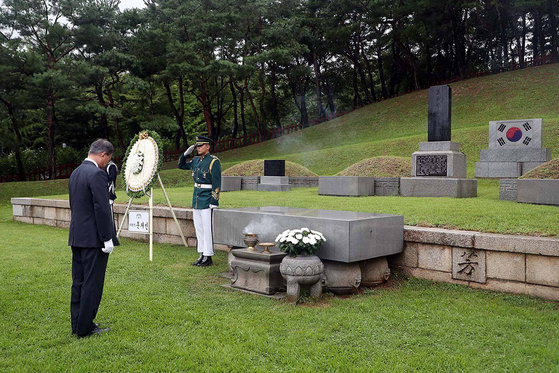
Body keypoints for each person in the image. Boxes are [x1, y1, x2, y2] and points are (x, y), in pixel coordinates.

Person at [68, 139, 119, 338]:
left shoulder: (76, 172)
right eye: (107, 159)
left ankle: (77, 323)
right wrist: (107, 237)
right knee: (92, 283)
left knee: (78, 281)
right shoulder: (97, 174)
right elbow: (102, 208)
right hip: (93, 239)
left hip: (77, 236)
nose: (106, 164)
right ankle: (85, 327)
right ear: (102, 155)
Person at [177, 135, 222, 267]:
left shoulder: (214, 162)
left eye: (200, 146)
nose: (198, 148)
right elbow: (181, 165)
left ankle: (208, 256)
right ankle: (202, 253)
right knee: (199, 228)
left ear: (207, 146)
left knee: (207, 228)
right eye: (197, 146)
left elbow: (217, 182)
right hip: (197, 197)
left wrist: (214, 200)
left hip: (207, 198)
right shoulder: (196, 161)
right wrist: (185, 154)